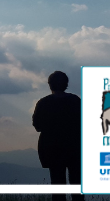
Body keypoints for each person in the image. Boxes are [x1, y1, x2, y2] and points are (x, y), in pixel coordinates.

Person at [32, 71, 82, 201]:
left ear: (50, 85)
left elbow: (37, 126)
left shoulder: (43, 103)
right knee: (77, 186)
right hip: (74, 148)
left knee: (57, 185)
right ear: (66, 84)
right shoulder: (75, 101)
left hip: (51, 149)